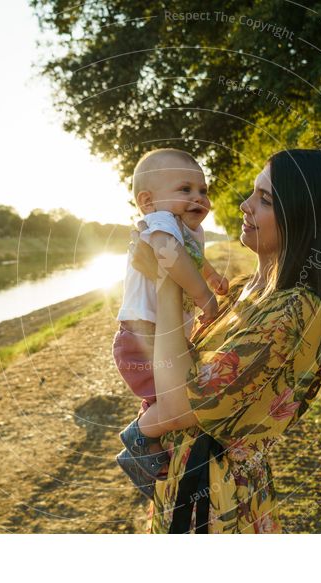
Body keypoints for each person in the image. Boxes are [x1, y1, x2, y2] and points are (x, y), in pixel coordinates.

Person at [123, 149, 321, 533]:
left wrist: (164, 280)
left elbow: (177, 405)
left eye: (264, 199)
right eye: (252, 192)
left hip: (218, 507)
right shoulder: (246, 292)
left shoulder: (294, 313)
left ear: (303, 218)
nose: (244, 204)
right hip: (182, 486)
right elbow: (177, 360)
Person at [113, 148, 229, 488]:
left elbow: (190, 258)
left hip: (158, 335)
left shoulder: (183, 226)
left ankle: (149, 443)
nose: (198, 198)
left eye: (203, 191)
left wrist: (211, 278)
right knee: (174, 403)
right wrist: (202, 295)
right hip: (141, 339)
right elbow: (170, 254)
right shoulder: (160, 221)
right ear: (148, 201)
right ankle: (138, 440)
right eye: (185, 190)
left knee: (167, 398)